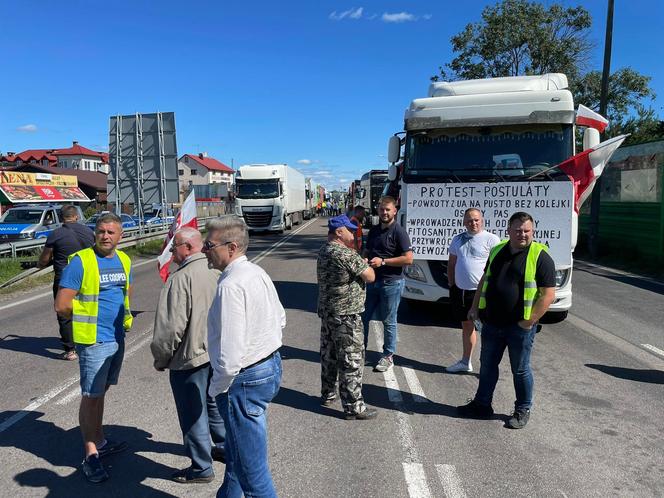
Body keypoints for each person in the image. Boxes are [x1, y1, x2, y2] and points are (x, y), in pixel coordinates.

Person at [204, 217, 284, 498]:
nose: (204, 250)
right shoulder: (256, 272)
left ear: (231, 247)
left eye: (209, 244)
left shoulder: (230, 286)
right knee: (238, 456)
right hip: (268, 365)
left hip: (243, 380)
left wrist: (217, 387)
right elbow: (281, 318)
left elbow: (230, 354)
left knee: (253, 475)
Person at [458, 212, 556, 429]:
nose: (523, 234)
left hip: (519, 327)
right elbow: (485, 279)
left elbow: (548, 294)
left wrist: (529, 322)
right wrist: (474, 307)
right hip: (492, 323)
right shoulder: (498, 250)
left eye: (527, 231)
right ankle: (482, 405)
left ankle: (522, 409)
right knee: (488, 367)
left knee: (520, 370)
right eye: (518, 230)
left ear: (533, 231)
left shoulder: (540, 256)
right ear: (508, 230)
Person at [55, 212, 132, 483]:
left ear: (121, 235)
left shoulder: (124, 260)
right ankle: (90, 453)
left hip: (116, 338)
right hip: (94, 340)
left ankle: (99, 439)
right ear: (94, 233)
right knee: (91, 395)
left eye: (111, 232)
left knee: (101, 392)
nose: (106, 236)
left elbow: (123, 294)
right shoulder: (81, 262)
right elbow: (62, 305)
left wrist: (125, 321)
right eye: (101, 231)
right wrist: (89, 324)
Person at [150, 227, 226, 484]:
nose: (171, 253)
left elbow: (170, 328)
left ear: (188, 247)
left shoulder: (179, 279)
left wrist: (161, 358)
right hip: (215, 353)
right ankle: (226, 448)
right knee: (214, 404)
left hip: (189, 358)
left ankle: (202, 467)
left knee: (193, 412)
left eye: (174, 248)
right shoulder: (216, 269)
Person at [317, 215, 377, 420]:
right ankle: (354, 406)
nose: (353, 233)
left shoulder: (324, 250)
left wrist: (360, 264)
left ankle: (328, 393)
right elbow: (370, 276)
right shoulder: (346, 254)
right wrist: (363, 264)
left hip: (329, 312)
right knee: (351, 360)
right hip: (347, 315)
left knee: (329, 354)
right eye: (350, 230)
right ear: (339, 232)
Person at [362, 196, 413, 372]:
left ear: (394, 211)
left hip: (391, 283)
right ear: (378, 210)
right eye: (382, 209)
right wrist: (365, 259)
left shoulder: (399, 232)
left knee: (389, 321)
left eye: (388, 210)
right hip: (371, 282)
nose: (384, 212)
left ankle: (388, 356)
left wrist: (383, 262)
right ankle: (361, 350)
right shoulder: (374, 230)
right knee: (363, 317)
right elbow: (367, 251)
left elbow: (408, 259)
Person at [446, 208, 500, 373]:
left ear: (482, 220)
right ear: (464, 222)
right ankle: (465, 361)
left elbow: (496, 268)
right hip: (460, 291)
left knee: (488, 331)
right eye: (469, 220)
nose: (473, 223)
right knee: (467, 326)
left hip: (481, 293)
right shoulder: (457, 239)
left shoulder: (492, 239)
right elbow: (452, 263)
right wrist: (452, 284)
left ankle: (487, 367)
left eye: (476, 219)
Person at [38, 205, 94, 361]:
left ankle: (70, 350)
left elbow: (44, 259)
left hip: (64, 278)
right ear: (76, 216)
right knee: (88, 308)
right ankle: (89, 341)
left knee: (64, 312)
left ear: (61, 218)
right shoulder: (89, 232)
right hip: (87, 277)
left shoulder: (55, 234)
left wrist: (40, 264)